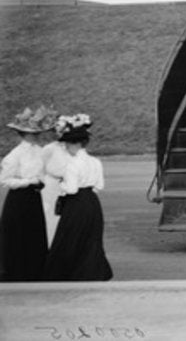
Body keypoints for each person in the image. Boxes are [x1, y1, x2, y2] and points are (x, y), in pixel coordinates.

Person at [43, 114, 113, 282]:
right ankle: (92, 271)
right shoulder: (95, 161)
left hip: (76, 203)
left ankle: (68, 272)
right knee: (91, 238)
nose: (66, 147)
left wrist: (61, 186)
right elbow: (99, 186)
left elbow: (72, 189)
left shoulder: (72, 164)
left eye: (67, 144)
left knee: (70, 237)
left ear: (73, 144)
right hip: (92, 202)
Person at [1, 106, 53, 281]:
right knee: (18, 235)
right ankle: (16, 271)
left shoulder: (41, 152)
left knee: (34, 233)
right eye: (33, 133)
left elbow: (46, 171)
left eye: (38, 133)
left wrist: (41, 180)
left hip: (34, 197)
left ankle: (35, 270)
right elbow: (5, 180)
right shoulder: (14, 155)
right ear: (23, 134)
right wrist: (28, 181)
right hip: (18, 199)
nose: (37, 136)